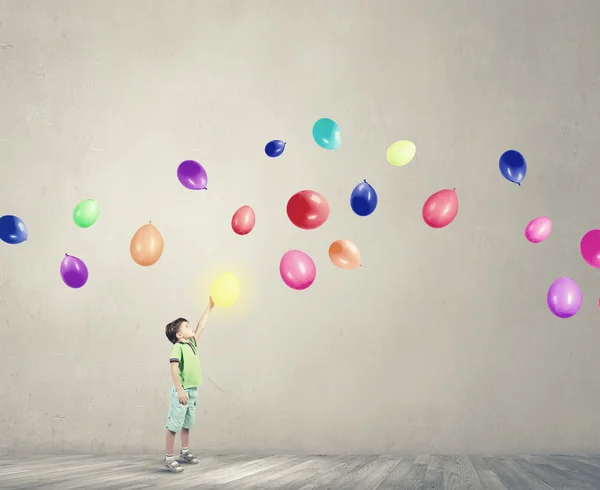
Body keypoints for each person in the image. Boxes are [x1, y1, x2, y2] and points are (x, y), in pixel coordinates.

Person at [163, 297, 214, 472]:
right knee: (174, 425)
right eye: (186, 326)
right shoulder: (177, 347)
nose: (190, 327)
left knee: (187, 423)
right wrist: (179, 390)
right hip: (182, 392)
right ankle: (169, 458)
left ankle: (184, 452)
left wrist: (209, 307)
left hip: (192, 391)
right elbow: (174, 369)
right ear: (179, 335)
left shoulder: (191, 343)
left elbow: (201, 326)